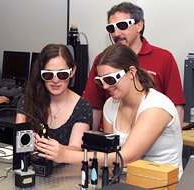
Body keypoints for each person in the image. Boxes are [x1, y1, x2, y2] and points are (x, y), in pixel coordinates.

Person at [36, 44, 183, 177]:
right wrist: (59, 149)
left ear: (131, 72)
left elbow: (126, 158)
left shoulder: (156, 106)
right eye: (101, 81)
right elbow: (108, 153)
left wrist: (66, 155)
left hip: (162, 184)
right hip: (125, 181)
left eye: (111, 80)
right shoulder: (110, 106)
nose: (105, 87)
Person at [83, 2, 185, 131]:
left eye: (122, 26)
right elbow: (95, 105)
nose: (116, 33)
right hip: (113, 135)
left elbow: (176, 107)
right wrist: (91, 143)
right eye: (111, 28)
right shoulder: (102, 61)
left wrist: (173, 141)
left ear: (139, 25)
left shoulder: (164, 58)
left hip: (153, 137)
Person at [16, 44, 92, 151]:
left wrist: (56, 149)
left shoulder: (83, 106)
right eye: (48, 75)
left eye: (62, 74)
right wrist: (27, 143)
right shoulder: (26, 100)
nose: (55, 80)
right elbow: (18, 143)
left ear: (72, 71)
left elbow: (76, 149)